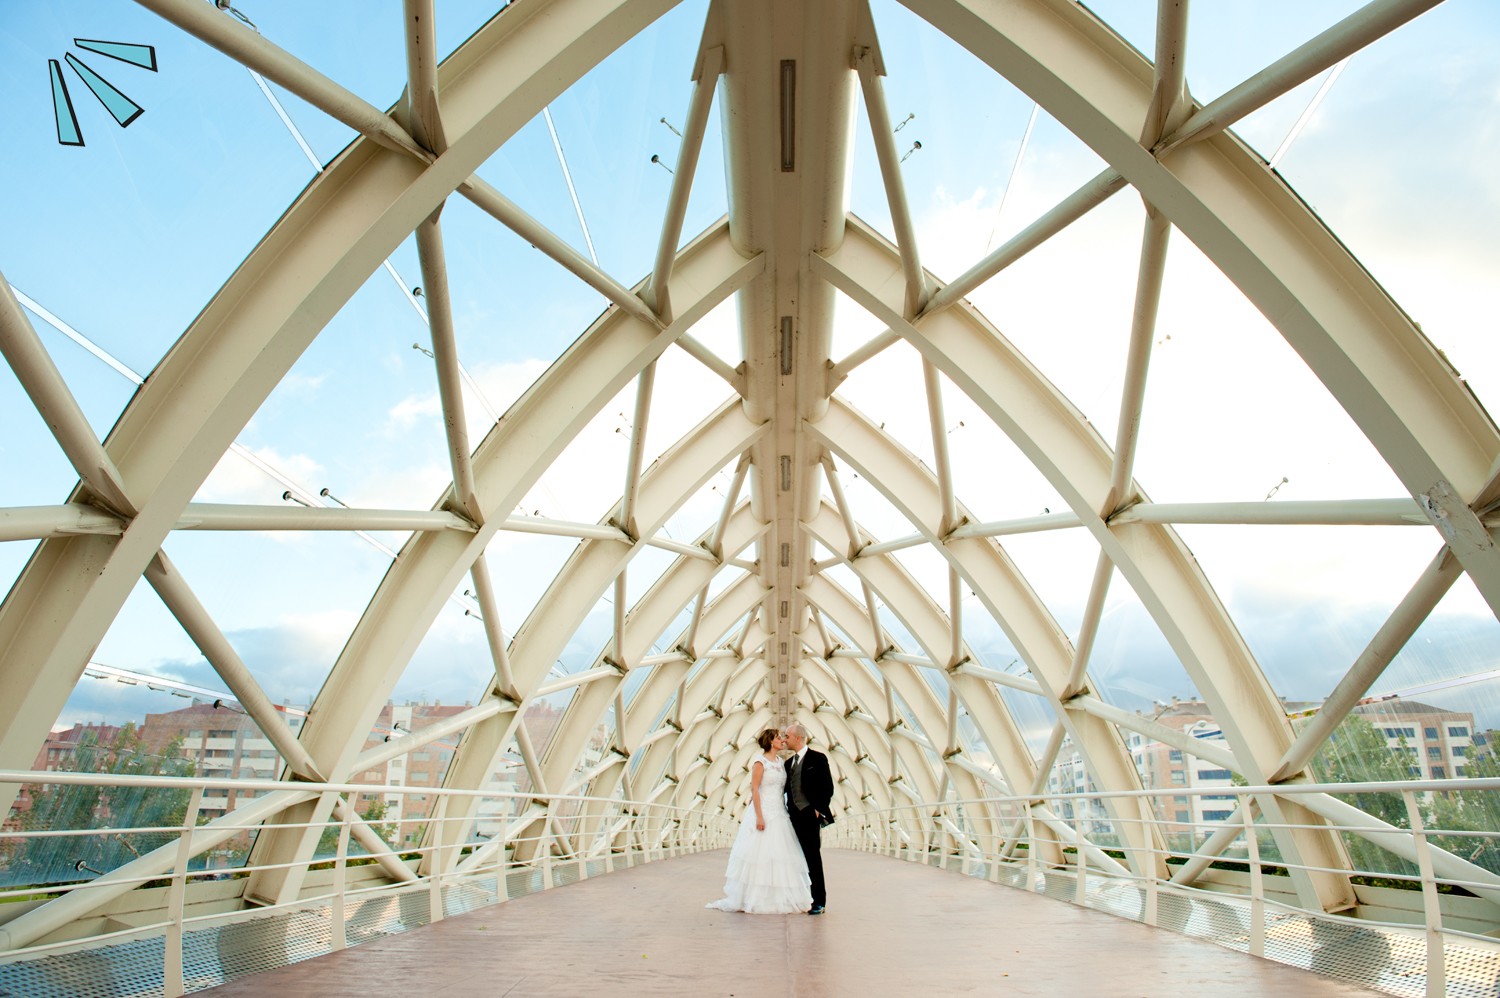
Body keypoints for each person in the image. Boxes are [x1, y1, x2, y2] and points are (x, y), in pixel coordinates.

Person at [705, 729, 812, 914]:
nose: (782, 741)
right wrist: (759, 816)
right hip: (764, 813)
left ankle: (779, 897)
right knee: (761, 855)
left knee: (780, 855)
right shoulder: (759, 762)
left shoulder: (780, 762)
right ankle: (757, 897)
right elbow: (755, 789)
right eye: (779, 738)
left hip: (780, 812)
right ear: (771, 741)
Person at [783, 723, 833, 914]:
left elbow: (827, 787)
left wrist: (818, 810)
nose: (784, 739)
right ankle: (796, 897)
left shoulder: (818, 759)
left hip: (810, 815)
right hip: (792, 816)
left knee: (812, 857)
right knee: (792, 857)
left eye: (787, 736)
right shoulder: (788, 764)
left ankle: (819, 901)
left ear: (798, 738)